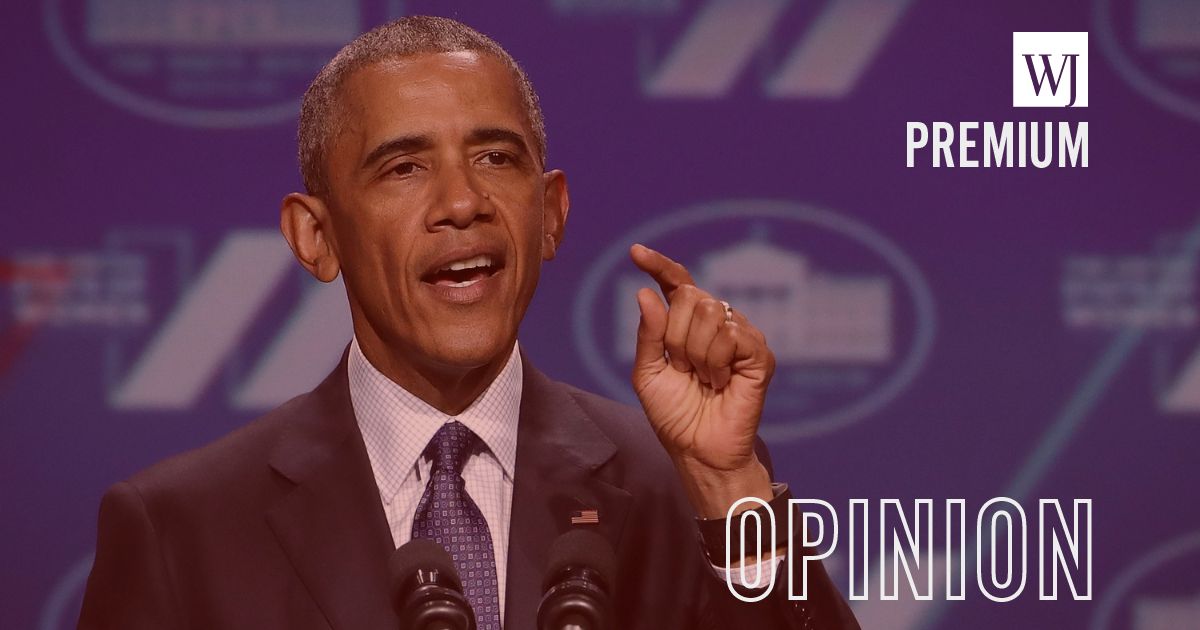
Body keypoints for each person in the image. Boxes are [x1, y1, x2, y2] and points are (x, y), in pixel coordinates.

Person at [78, 16, 859, 630]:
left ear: (550, 215)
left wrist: (729, 492)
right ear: (316, 237)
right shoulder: (182, 528)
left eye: (495, 159)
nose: (462, 203)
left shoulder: (675, 493)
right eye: (404, 167)